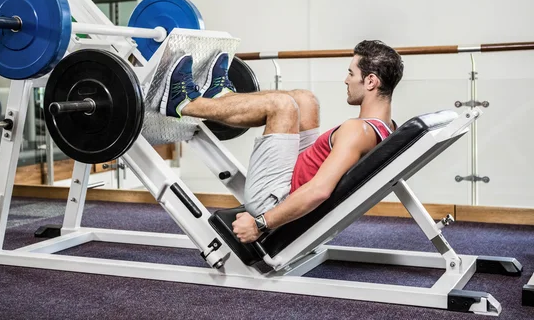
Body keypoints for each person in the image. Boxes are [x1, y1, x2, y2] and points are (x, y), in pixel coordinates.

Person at [159, 40, 404, 243]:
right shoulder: (387, 128)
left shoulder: (357, 130)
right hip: (296, 177)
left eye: (351, 73)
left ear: (371, 82)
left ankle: (185, 104)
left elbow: (319, 191)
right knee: (305, 100)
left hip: (277, 199)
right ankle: (223, 98)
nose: (346, 80)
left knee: (282, 105)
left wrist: (259, 224)